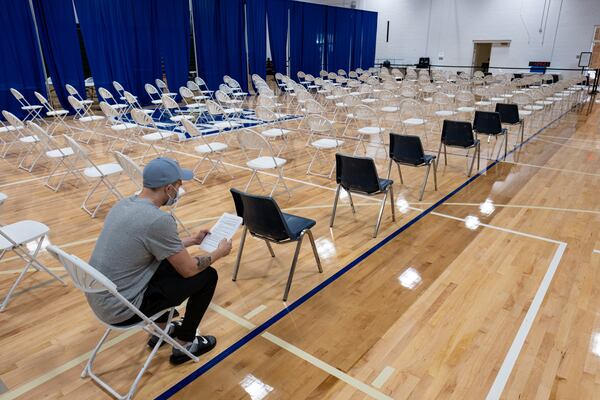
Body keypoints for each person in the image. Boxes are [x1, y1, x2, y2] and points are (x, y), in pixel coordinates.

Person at [86, 157, 232, 365]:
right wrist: (220, 252)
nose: (179, 192)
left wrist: (192, 240)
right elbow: (190, 269)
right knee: (207, 276)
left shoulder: (123, 204)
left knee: (164, 263)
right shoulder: (158, 220)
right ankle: (185, 343)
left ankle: (161, 330)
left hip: (101, 297)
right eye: (179, 186)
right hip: (123, 309)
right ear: (169, 188)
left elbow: (151, 245)